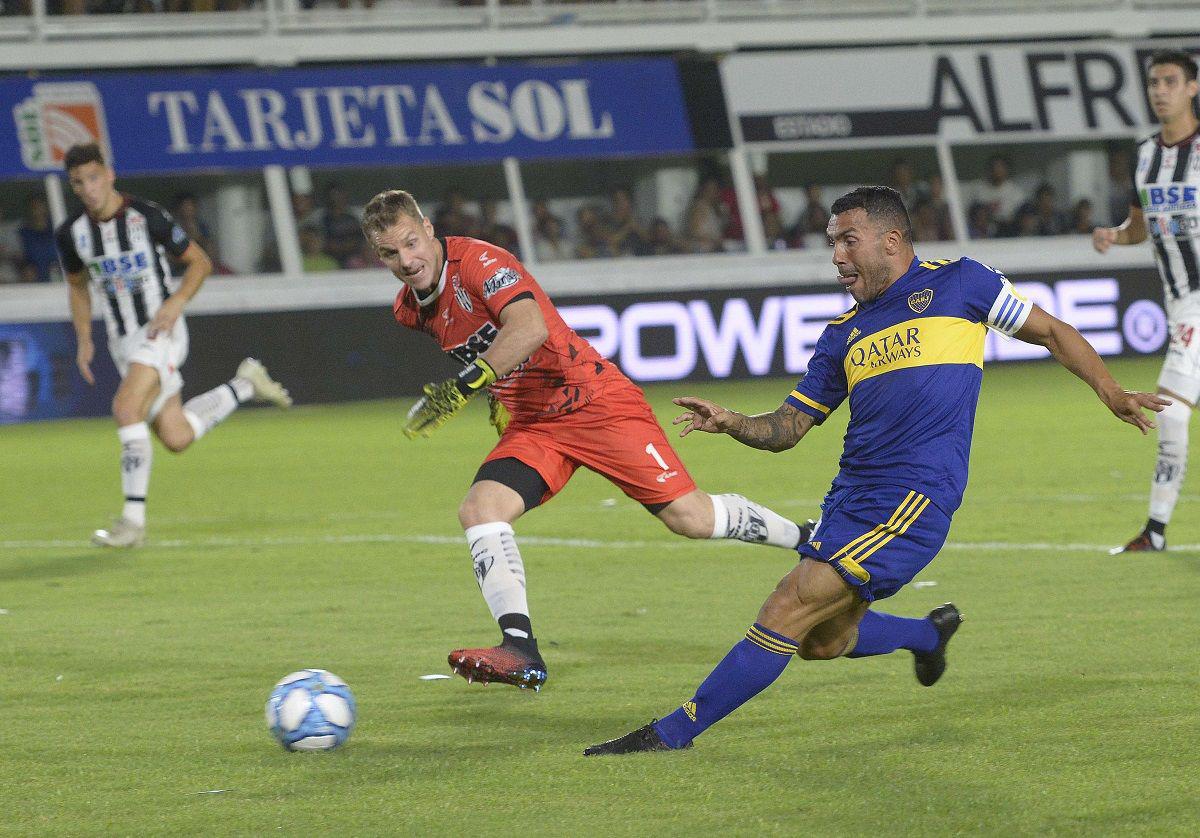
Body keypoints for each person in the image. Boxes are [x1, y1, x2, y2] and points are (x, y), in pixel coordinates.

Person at [584, 185, 1165, 755]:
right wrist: (734, 421)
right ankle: (926, 634)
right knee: (821, 641)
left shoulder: (962, 282)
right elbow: (788, 428)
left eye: (847, 240)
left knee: (788, 603)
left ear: (891, 240)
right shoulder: (842, 335)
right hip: (849, 499)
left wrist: (1109, 389)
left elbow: (1055, 333)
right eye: (832, 242)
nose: (836, 256)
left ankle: (670, 734)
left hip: (913, 498)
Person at [364, 189, 811, 692]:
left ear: (427, 228)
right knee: (480, 509)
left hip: (593, 402)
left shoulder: (481, 262)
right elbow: (484, 341)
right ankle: (521, 650)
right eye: (389, 253)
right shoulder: (410, 309)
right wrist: (497, 395)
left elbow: (528, 327)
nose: (406, 260)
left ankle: (807, 537)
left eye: (410, 243)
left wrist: (470, 382)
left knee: (691, 518)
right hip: (536, 424)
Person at [54, 142, 293, 548]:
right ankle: (245, 385)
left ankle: (132, 523)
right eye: (79, 183)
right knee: (176, 436)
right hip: (123, 341)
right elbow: (77, 287)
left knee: (125, 409)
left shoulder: (146, 217)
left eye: (94, 178)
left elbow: (199, 261)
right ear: (73, 187)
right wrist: (82, 339)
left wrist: (176, 302)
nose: (89, 189)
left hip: (160, 331)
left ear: (109, 175)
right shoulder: (72, 234)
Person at [1094, 50, 1200, 554]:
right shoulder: (1144, 155)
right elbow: (1141, 228)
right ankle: (1155, 532)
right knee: (1176, 413)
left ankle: (1155, 531)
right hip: (1181, 303)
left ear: (1192, 88)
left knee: (1173, 408)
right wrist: (1115, 236)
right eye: (1154, 82)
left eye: (1171, 81)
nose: (1160, 90)